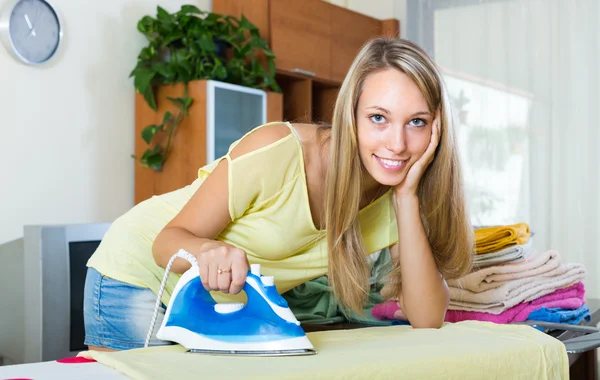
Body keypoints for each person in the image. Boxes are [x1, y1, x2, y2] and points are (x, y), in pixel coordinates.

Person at [83, 37, 474, 352]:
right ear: (350, 115)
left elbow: (426, 318)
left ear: (437, 130)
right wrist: (206, 252)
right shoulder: (279, 152)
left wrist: (407, 198)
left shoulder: (398, 191)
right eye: (378, 118)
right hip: (138, 277)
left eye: (417, 123)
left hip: (220, 306)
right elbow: (166, 241)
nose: (398, 144)